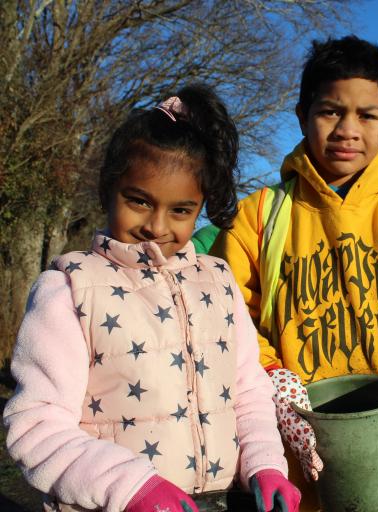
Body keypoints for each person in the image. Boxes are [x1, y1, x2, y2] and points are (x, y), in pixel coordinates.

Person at [202, 36, 378, 512]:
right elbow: (227, 319)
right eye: (331, 111)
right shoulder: (259, 216)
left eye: (367, 116)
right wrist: (271, 375)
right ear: (302, 115)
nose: (348, 130)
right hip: (281, 470)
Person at [3, 84, 300, 512]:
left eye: (181, 210)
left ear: (200, 208)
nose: (156, 226)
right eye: (139, 201)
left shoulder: (218, 281)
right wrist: (132, 489)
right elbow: (35, 425)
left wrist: (266, 465)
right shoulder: (69, 289)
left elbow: (248, 392)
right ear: (109, 189)